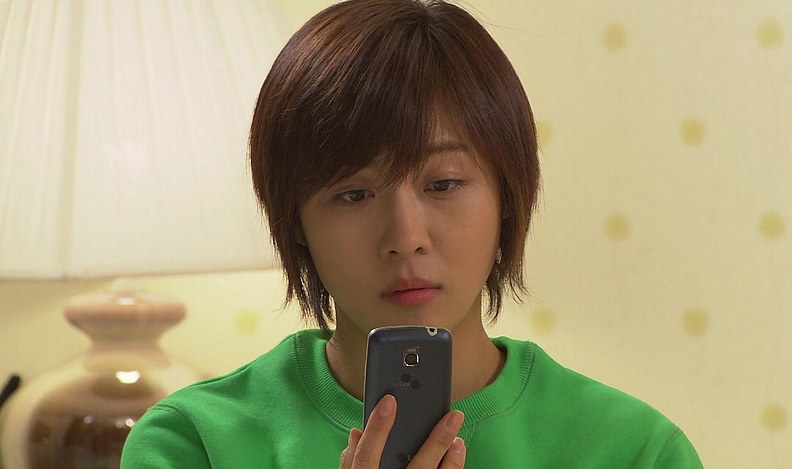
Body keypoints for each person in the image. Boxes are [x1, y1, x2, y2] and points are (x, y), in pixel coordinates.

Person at [121, 0, 703, 467]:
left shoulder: (635, 451)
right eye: (354, 194)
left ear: (507, 195)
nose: (405, 237)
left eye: (443, 184)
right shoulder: (193, 443)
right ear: (295, 221)